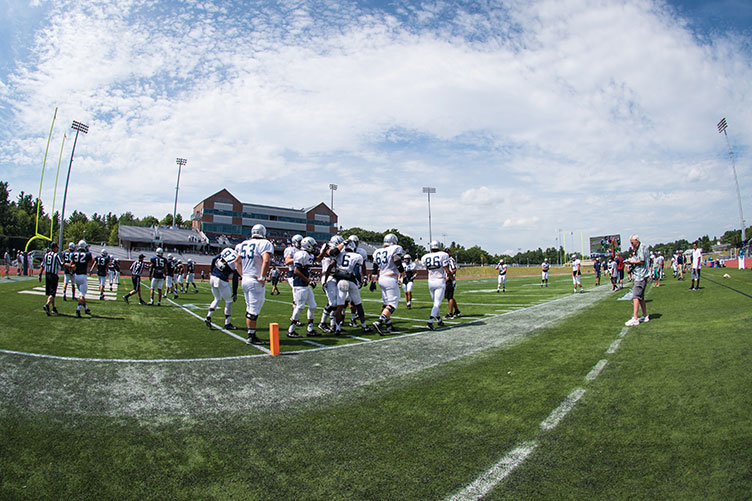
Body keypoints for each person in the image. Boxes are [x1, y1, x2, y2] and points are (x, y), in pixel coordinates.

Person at [234, 223, 273, 344]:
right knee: (254, 309)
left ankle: (251, 333)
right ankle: (251, 336)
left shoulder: (244, 243)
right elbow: (266, 261)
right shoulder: (264, 243)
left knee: (250, 307)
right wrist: (262, 277)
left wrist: (242, 275)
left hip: (245, 278)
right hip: (255, 279)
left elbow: (236, 262)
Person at [329, 237, 369, 334]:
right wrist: (360, 281)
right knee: (358, 304)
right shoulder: (357, 256)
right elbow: (357, 271)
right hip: (351, 280)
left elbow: (331, 257)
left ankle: (337, 327)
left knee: (340, 305)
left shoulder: (339, 254)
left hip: (341, 281)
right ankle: (364, 326)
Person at [287, 236, 320, 337]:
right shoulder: (301, 254)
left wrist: (323, 250)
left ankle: (310, 329)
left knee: (313, 305)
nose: (315, 248)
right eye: (313, 246)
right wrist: (309, 281)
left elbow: (318, 258)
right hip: (300, 285)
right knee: (300, 306)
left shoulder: (307, 254)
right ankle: (291, 330)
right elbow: (296, 271)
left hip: (305, 285)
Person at [371, 233, 404, 335]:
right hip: (390, 278)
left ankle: (388, 325)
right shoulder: (395, 249)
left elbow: (374, 269)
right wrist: (402, 273)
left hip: (381, 278)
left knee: (386, 303)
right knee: (393, 304)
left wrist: (373, 281)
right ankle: (380, 321)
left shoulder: (377, 251)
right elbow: (397, 261)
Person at [205, 248, 240, 331]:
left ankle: (208, 316)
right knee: (229, 301)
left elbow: (214, 259)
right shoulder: (237, 260)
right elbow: (235, 278)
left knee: (217, 299)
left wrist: (212, 270)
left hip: (213, 277)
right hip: (221, 280)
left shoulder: (227, 250)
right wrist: (235, 292)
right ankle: (227, 323)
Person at [421, 241, 451, 330]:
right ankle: (430, 322)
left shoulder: (425, 256)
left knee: (435, 302)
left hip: (430, 281)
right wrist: (451, 277)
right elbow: (446, 269)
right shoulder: (443, 255)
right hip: (439, 280)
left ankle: (439, 320)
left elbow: (427, 268)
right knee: (437, 303)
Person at [624, 234, 650, 326]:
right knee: (641, 297)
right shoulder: (639, 248)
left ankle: (635, 318)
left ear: (637, 240)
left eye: (632, 242)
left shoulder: (641, 248)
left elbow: (641, 260)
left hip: (641, 275)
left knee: (635, 296)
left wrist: (631, 262)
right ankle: (645, 315)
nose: (631, 244)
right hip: (641, 274)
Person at [70, 240, 93, 317]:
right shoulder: (87, 254)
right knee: (82, 295)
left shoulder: (74, 254)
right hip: (83, 276)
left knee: (81, 294)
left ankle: (86, 308)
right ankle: (78, 309)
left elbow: (71, 264)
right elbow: (92, 261)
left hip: (76, 276)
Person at [40, 242, 63, 315]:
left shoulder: (46, 255)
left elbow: (42, 265)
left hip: (47, 275)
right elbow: (61, 264)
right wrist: (69, 266)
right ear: (54, 248)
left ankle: (53, 307)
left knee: (50, 292)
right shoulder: (56, 255)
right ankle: (47, 305)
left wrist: (40, 275)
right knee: (52, 292)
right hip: (53, 275)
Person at [444, 247, 461, 319]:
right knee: (449, 297)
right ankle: (457, 310)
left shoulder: (450, 260)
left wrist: (448, 276)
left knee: (449, 297)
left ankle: (450, 313)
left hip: (450, 279)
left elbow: (454, 269)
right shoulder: (445, 259)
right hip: (448, 279)